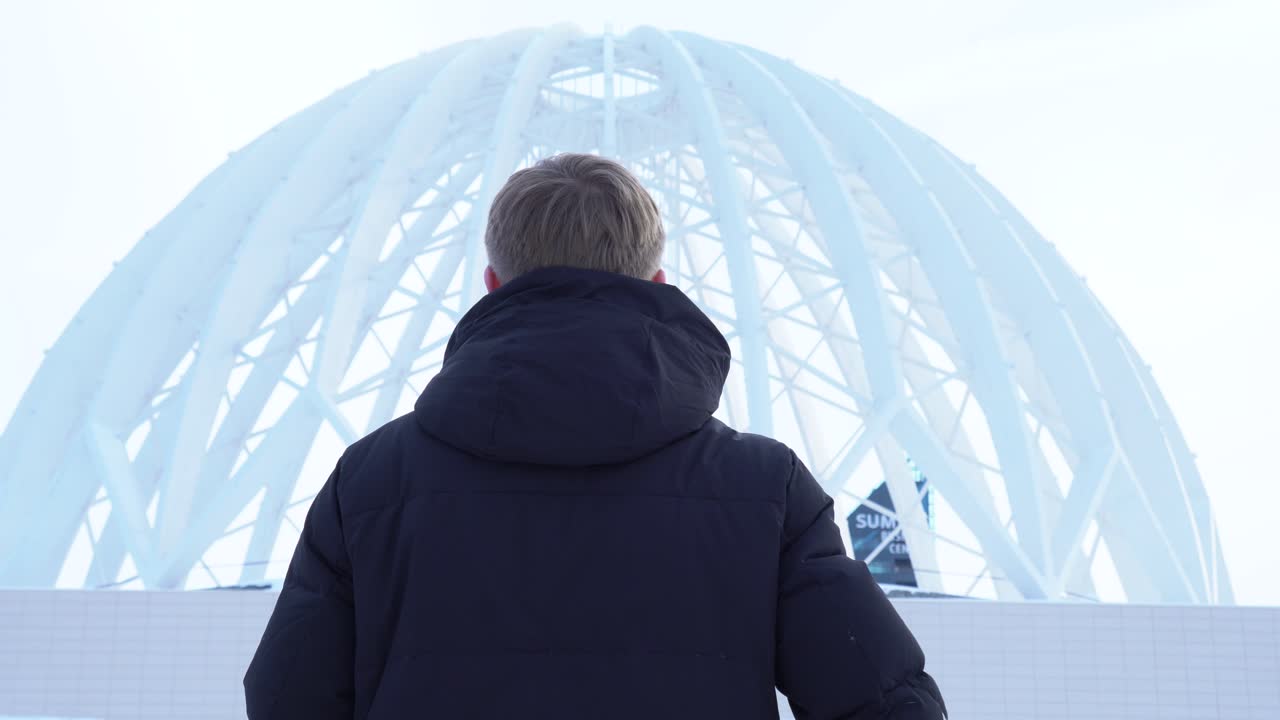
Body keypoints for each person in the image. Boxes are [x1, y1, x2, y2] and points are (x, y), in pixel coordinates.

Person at [244, 153, 947, 719]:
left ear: (492, 284)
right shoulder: (765, 490)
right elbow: (886, 705)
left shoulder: (369, 486)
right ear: (659, 280)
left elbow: (286, 698)